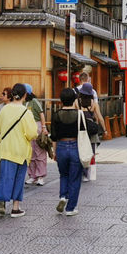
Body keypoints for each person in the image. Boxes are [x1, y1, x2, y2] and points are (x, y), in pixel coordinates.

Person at [0, 83, 38, 217]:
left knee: (5, 177)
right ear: (25, 95)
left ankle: (2, 200)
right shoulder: (26, 112)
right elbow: (31, 134)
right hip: (20, 150)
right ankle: (15, 207)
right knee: (18, 179)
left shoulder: (5, 109)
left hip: (6, 148)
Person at [50, 88, 86, 216]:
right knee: (75, 178)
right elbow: (83, 133)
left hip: (61, 146)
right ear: (74, 100)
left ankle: (63, 197)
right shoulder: (79, 114)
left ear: (61, 100)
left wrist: (55, 152)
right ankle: (71, 208)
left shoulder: (56, 115)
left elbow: (53, 136)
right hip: (76, 146)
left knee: (63, 174)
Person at [23, 84, 48, 186]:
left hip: (36, 126)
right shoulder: (23, 102)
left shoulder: (34, 101)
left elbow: (41, 114)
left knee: (39, 152)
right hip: (27, 128)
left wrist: (43, 127)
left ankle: (41, 176)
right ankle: (32, 175)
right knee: (30, 153)